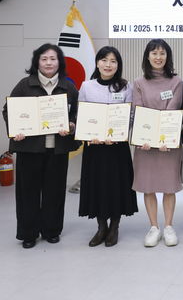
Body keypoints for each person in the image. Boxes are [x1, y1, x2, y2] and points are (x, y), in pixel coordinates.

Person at [2, 43, 79, 249]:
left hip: (57, 149)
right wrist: (16, 129)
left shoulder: (68, 86)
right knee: (28, 192)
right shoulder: (24, 85)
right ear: (37, 62)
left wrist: (72, 125)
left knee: (55, 192)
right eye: (44, 59)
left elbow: (77, 113)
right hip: (29, 149)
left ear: (59, 62)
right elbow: (8, 110)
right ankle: (28, 233)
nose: (48, 63)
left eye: (53, 59)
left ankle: (51, 231)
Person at [78, 46, 138, 247]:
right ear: (97, 63)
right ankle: (101, 226)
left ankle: (115, 226)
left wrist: (120, 134)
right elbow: (82, 115)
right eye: (104, 60)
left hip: (117, 147)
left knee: (116, 185)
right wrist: (89, 135)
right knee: (97, 185)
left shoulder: (126, 87)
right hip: (94, 147)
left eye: (113, 61)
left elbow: (130, 115)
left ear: (118, 65)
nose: (108, 64)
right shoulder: (87, 86)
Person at [132, 39, 183, 247]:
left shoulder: (176, 81)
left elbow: (173, 108)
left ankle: (169, 226)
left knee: (169, 186)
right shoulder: (138, 82)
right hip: (145, 144)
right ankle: (153, 227)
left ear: (167, 56)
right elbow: (138, 110)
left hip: (168, 143)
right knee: (148, 186)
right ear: (147, 56)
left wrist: (163, 137)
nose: (158, 57)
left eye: (162, 53)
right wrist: (147, 138)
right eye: (154, 53)